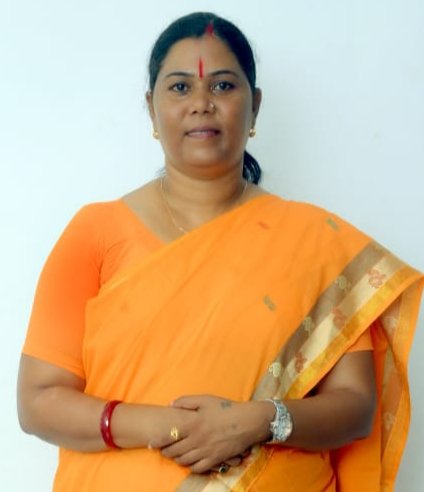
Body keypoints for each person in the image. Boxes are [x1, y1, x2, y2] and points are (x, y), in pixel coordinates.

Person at [17, 11, 423, 492]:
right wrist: (170, 427)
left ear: (256, 106)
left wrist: (258, 421)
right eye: (180, 87)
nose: (201, 104)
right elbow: (38, 401)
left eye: (224, 86)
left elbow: (355, 407)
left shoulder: (317, 241)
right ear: (151, 109)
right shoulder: (95, 232)